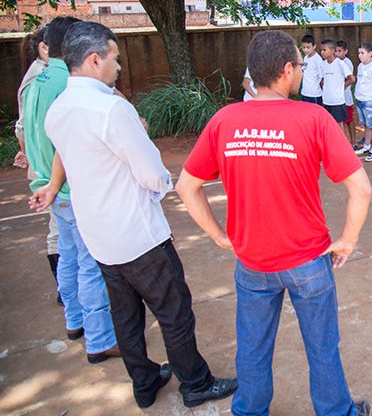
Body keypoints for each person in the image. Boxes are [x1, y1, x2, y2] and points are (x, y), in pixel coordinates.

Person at [32, 21, 237, 409]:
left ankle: (144, 381)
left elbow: (68, 157)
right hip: (138, 235)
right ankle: (195, 382)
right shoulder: (112, 109)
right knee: (174, 311)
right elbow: (152, 174)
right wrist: (156, 175)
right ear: (94, 59)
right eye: (115, 58)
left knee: (126, 315)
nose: (119, 67)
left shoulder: (60, 108)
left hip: (99, 234)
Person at [175, 30, 372, 416]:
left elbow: (186, 186)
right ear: (287, 69)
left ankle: (249, 411)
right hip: (308, 261)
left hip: (252, 261)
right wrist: (348, 241)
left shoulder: (225, 119)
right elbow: (361, 188)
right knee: (322, 347)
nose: (300, 71)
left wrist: (219, 235)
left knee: (252, 348)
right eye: (299, 65)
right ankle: (336, 411)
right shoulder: (313, 117)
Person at [23, 16, 120, 364]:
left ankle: (75, 320)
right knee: (91, 266)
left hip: (51, 188)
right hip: (71, 188)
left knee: (68, 258)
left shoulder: (37, 78)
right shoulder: (69, 83)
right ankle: (100, 339)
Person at [15, 25, 62, 304]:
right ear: (44, 48)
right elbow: (24, 127)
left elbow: (22, 128)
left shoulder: (38, 76)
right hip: (51, 165)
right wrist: (30, 155)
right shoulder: (44, 79)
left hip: (44, 163)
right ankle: (66, 289)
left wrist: (27, 154)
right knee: (60, 229)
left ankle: (67, 289)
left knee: (59, 226)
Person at [320, 38, 355, 129]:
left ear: (332, 51)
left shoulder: (340, 64)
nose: (322, 52)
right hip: (326, 101)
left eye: (324, 50)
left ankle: (340, 139)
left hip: (337, 101)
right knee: (328, 124)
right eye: (321, 50)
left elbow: (352, 79)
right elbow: (322, 80)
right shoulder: (323, 64)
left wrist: (344, 86)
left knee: (339, 125)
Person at [336, 40, 358, 147]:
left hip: (346, 97)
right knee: (340, 121)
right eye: (336, 51)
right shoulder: (335, 61)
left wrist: (341, 86)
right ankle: (343, 142)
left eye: (339, 51)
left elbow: (349, 79)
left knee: (349, 120)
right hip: (337, 97)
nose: (337, 53)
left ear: (345, 51)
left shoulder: (347, 63)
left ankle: (353, 142)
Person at [300, 34, 324, 105]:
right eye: (303, 47)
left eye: (308, 47)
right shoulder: (305, 58)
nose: (305, 50)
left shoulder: (318, 59)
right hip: (304, 93)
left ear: (314, 46)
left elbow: (322, 77)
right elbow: (304, 71)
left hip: (315, 94)